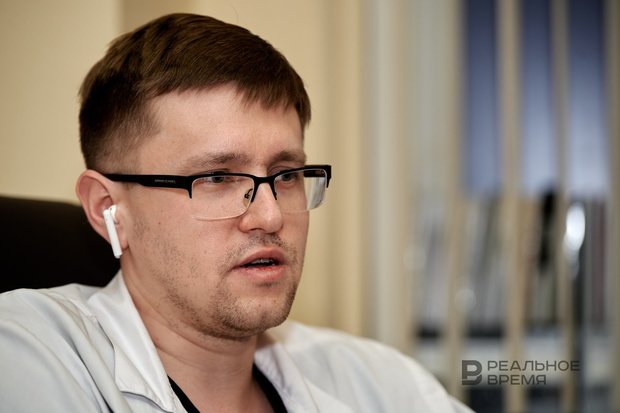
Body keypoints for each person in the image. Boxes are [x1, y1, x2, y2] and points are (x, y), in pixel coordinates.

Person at [0, 13, 472, 412]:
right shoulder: (30, 356)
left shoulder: (379, 383)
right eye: (216, 178)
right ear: (109, 208)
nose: (270, 216)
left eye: (285, 174)